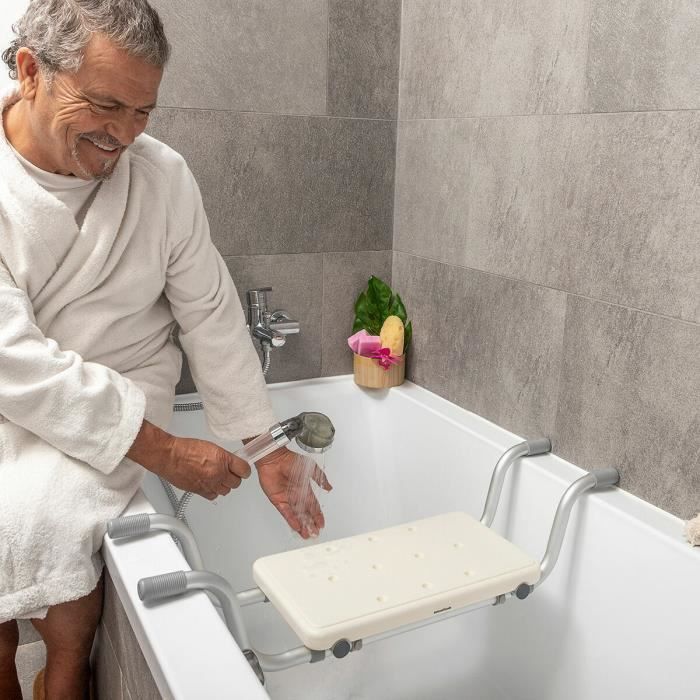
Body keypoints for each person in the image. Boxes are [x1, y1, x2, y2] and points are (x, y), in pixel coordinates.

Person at [0, 1, 331, 698]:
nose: (124, 135)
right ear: (30, 72)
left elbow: (209, 310)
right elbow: (12, 359)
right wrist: (168, 453)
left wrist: (266, 446)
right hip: (13, 403)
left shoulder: (162, 176)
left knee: (62, 537)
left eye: (142, 112)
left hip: (121, 398)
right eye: (105, 105)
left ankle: (66, 673)